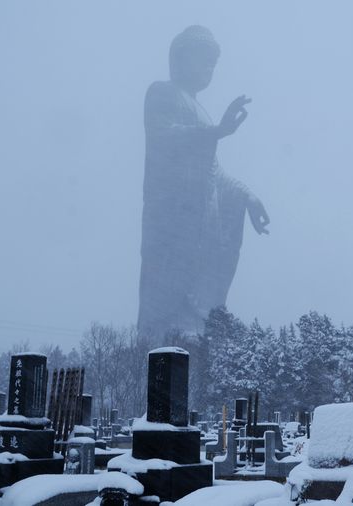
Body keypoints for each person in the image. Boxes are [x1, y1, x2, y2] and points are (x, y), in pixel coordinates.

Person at [138, 25, 269, 338]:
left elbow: (215, 174)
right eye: (203, 59)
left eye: (213, 63)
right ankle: (158, 345)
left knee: (196, 317)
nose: (209, 68)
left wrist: (247, 196)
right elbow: (164, 137)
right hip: (171, 223)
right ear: (180, 58)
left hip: (202, 227)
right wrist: (216, 132)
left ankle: (194, 333)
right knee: (164, 315)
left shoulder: (203, 114)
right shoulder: (162, 92)